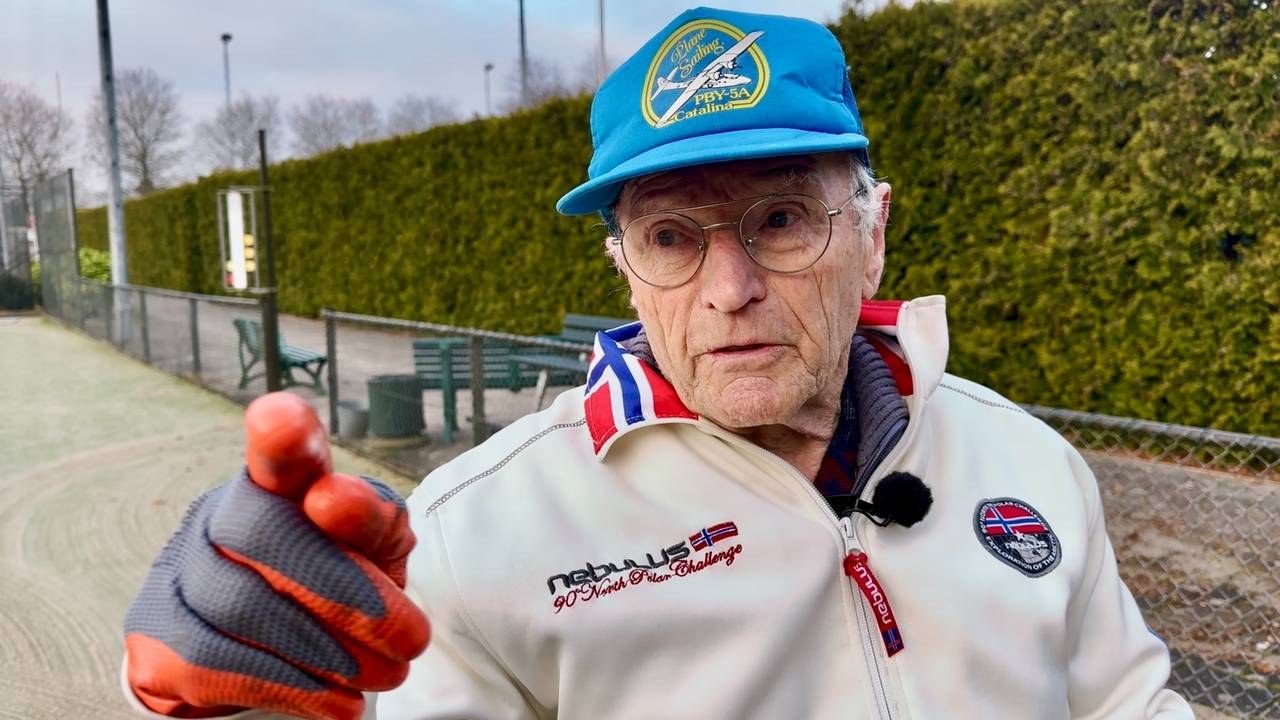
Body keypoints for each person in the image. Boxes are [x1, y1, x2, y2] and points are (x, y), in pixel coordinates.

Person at [121, 7, 1194, 719]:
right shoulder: (476, 536)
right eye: (672, 238)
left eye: (778, 220)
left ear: (871, 234)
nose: (727, 288)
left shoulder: (1028, 461)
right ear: (625, 269)